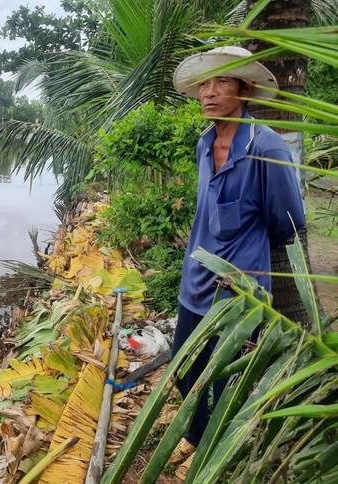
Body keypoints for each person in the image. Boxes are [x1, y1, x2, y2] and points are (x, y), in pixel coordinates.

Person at [168, 46, 306, 479]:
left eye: (220, 82)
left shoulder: (267, 148)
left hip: (240, 294)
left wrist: (247, 250)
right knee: (184, 367)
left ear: (244, 89)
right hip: (196, 281)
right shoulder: (204, 143)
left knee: (226, 376)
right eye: (204, 85)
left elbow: (288, 222)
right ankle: (195, 433)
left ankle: (212, 446)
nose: (208, 93)